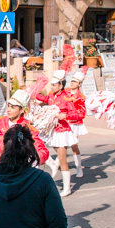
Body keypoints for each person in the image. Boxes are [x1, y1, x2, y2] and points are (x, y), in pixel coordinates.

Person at [33, 69, 81, 197]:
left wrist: (64, 115)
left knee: (62, 159)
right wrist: (35, 88)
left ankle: (67, 188)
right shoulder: (51, 95)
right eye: (51, 84)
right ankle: (53, 164)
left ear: (61, 85)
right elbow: (41, 98)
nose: (52, 87)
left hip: (62, 131)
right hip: (51, 129)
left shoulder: (67, 98)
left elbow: (77, 114)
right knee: (37, 144)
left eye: (54, 85)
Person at [66, 70, 87, 179]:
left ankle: (78, 167)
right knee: (62, 145)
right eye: (72, 81)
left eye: (75, 81)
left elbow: (82, 113)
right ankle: (59, 163)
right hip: (64, 121)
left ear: (79, 84)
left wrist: (72, 116)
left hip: (74, 123)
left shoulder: (81, 97)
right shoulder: (66, 91)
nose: (72, 83)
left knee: (74, 145)